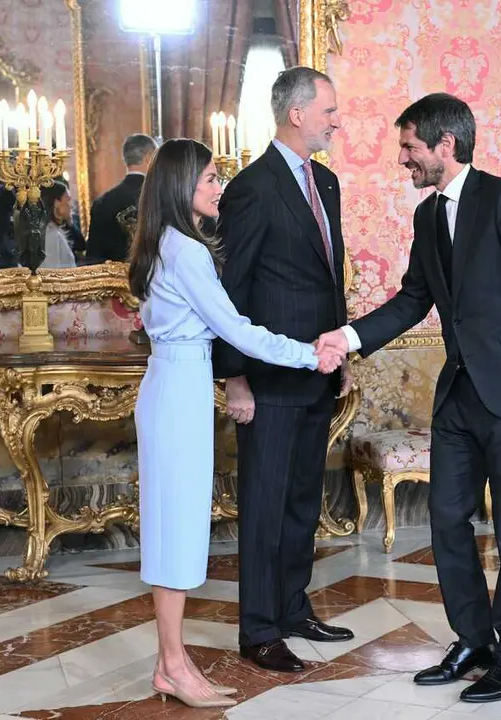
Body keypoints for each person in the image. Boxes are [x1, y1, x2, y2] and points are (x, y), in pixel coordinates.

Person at [316, 93, 501, 703]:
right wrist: (347, 338)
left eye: (410, 147)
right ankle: (475, 640)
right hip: (459, 398)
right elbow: (414, 300)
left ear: (445, 145)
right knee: (445, 521)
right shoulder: (428, 217)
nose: (402, 159)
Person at [127, 138, 342, 708]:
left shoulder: (162, 243)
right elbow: (238, 330)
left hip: (173, 386)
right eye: (210, 179)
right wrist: (309, 355)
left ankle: (170, 662)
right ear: (181, 187)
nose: (219, 188)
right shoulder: (186, 251)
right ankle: (174, 665)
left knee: (173, 529)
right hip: (178, 394)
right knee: (176, 533)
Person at [211, 66, 354, 673]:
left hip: (318, 371)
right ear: (296, 114)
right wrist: (234, 376)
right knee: (265, 505)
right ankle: (259, 629)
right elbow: (232, 291)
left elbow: (330, 276)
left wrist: (342, 353)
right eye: (329, 111)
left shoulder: (327, 182)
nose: (336, 121)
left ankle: (294, 608)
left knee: (301, 501)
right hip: (267, 379)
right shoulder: (251, 187)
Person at [89, 133, 159, 262]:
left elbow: (93, 257)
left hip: (111, 274)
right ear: (149, 157)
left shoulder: (102, 203)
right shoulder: (160, 198)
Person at [38, 181, 77, 269]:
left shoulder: (49, 232)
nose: (71, 206)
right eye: (68, 200)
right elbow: (51, 274)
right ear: (57, 203)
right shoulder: (50, 235)